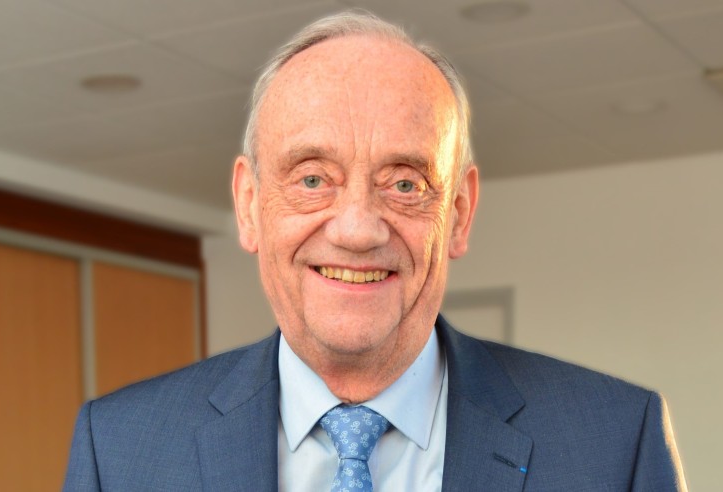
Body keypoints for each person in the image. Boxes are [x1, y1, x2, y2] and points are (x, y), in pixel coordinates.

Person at [64, 10, 686, 491]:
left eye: (405, 184)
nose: (358, 229)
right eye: (313, 178)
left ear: (459, 213)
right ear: (249, 204)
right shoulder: (120, 452)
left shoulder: (613, 446)